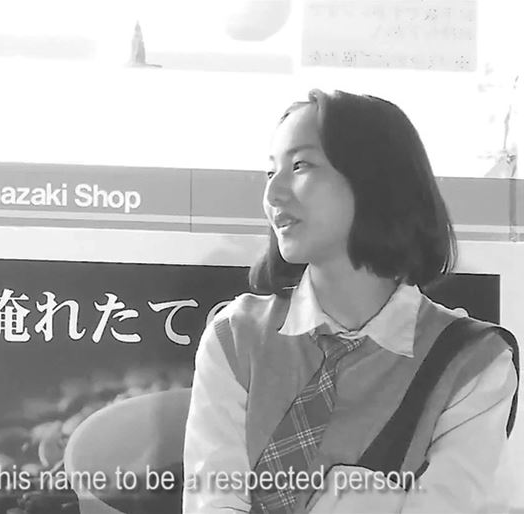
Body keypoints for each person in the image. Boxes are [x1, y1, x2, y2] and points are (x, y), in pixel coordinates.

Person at [183, 89, 519, 513]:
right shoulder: (236, 336)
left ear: (376, 179)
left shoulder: (474, 362)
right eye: (270, 172)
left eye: (301, 165)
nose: (273, 194)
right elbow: (212, 501)